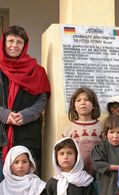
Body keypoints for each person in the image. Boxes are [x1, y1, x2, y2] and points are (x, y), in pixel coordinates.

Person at [0, 25, 51, 178]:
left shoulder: (37, 70)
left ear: (25, 45)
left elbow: (42, 99)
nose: (14, 45)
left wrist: (25, 115)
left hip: (27, 135)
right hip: (1, 136)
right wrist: (5, 115)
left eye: (19, 42)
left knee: (26, 185)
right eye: (10, 41)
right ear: (3, 43)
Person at [91, 114, 119, 195]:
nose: (115, 136)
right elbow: (97, 164)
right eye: (111, 132)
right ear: (106, 133)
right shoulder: (101, 148)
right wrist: (117, 167)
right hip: (107, 185)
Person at [62, 87, 102, 176]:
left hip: (99, 174)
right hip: (76, 174)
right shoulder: (69, 128)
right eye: (78, 100)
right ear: (74, 107)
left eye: (87, 100)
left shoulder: (102, 127)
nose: (83, 103)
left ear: (94, 105)